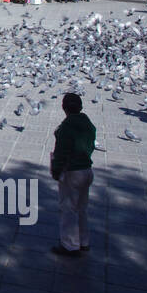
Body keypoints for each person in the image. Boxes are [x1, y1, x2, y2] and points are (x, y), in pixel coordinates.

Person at [50, 93, 95, 257]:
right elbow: (91, 144)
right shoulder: (87, 123)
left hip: (72, 172)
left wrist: (56, 170)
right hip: (87, 170)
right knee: (82, 208)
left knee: (68, 209)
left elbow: (61, 152)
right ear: (80, 107)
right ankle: (84, 242)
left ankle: (69, 245)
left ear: (64, 107)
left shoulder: (67, 127)